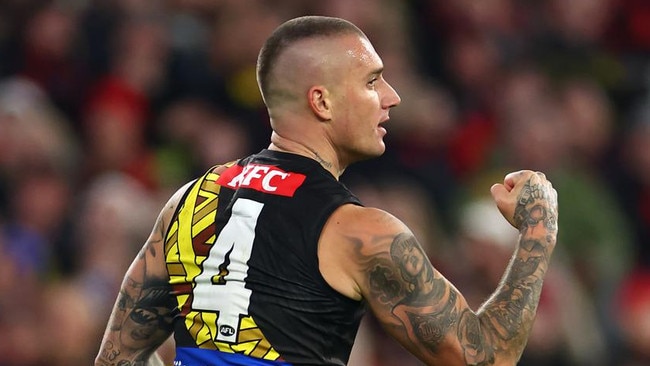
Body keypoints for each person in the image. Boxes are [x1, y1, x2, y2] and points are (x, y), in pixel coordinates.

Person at [95, 15, 559, 366]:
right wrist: (538, 227)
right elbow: (488, 356)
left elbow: (118, 358)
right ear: (322, 101)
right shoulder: (360, 233)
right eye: (373, 81)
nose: (392, 96)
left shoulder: (187, 200)